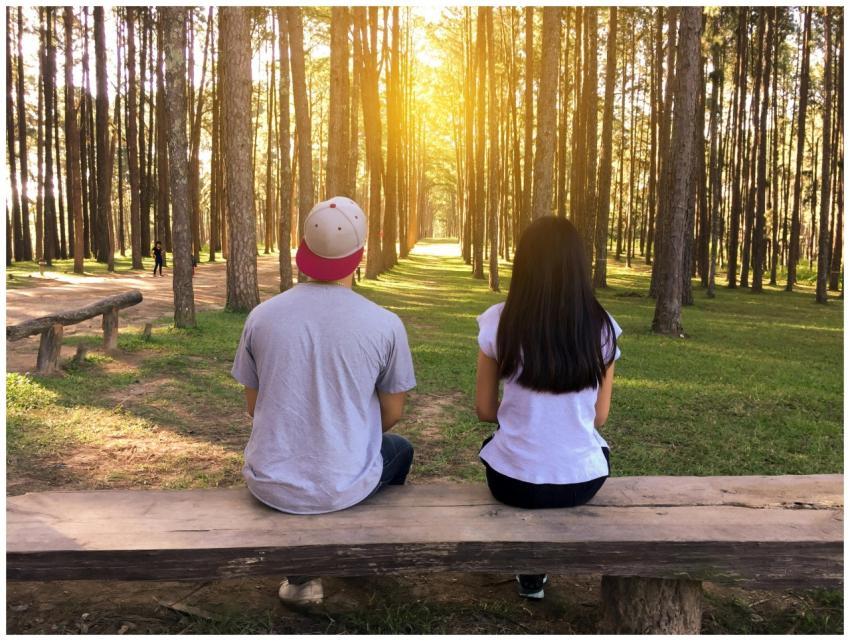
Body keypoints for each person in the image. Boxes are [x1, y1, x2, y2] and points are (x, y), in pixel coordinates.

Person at [231, 196, 416, 605]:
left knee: (319, 466)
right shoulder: (385, 324)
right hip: (342, 482)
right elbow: (394, 413)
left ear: (302, 247)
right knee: (398, 451)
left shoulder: (262, 316)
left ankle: (301, 581)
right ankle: (359, 554)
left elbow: (252, 407)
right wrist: (347, 431)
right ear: (361, 255)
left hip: (270, 481)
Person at [474, 216, 622, 601]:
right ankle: (535, 571)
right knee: (591, 446)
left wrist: (523, 413)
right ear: (579, 267)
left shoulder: (497, 321)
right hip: (581, 483)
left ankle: (531, 571)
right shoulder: (603, 327)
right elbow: (599, 418)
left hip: (511, 483)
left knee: (508, 446)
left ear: (524, 264)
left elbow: (484, 409)